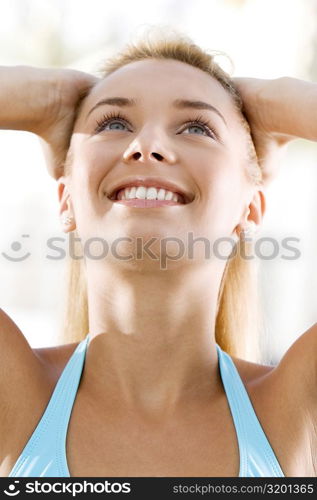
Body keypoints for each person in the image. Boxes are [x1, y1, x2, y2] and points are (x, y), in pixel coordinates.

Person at [0, 32, 316, 478]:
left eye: (196, 128)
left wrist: (276, 100)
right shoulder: (13, 393)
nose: (146, 145)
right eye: (113, 123)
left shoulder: (297, 408)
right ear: (66, 199)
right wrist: (49, 99)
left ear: (251, 207)